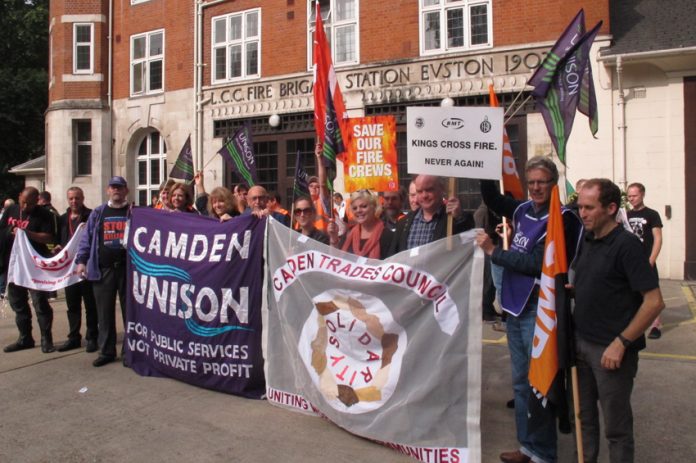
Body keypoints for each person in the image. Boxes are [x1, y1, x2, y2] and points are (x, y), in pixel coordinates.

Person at [476, 156, 582, 463]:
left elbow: (538, 263)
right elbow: (494, 199)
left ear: (554, 185)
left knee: (541, 384)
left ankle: (543, 453)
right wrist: (481, 163)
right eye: (532, 182)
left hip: (541, 307)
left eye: (542, 182)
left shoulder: (564, 218)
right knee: (521, 383)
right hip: (515, 306)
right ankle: (527, 447)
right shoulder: (523, 209)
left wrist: (495, 252)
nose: (536, 187)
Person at [573, 178, 664, 462]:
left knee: (617, 429)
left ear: (611, 208)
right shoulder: (588, 239)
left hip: (611, 353)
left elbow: (654, 302)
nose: (582, 214)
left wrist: (621, 342)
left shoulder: (627, 246)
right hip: (581, 347)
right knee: (583, 421)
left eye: (589, 207)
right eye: (580, 207)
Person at [75, 176, 131, 367]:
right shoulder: (99, 213)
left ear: (126, 190)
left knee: (130, 313)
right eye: (113, 187)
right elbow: (86, 239)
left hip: (127, 271)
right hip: (103, 270)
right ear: (108, 190)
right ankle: (106, 351)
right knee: (104, 313)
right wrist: (81, 261)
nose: (116, 190)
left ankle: (129, 352)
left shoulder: (134, 212)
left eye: (120, 187)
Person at [0, 187, 57, 353]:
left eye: (30, 204)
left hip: (34, 266)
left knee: (40, 302)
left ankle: (47, 339)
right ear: (19, 197)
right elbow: (2, 228)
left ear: (37, 201)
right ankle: (25, 338)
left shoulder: (45, 215)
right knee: (18, 303)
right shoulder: (11, 209)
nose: (25, 207)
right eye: (23, 202)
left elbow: (49, 237)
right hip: (13, 263)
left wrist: (26, 233)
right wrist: (11, 231)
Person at [54, 187, 98, 352]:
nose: (74, 201)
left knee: (90, 304)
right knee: (72, 305)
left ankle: (92, 337)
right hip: (69, 270)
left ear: (83, 198)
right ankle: (73, 337)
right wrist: (57, 247)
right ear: (67, 199)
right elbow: (58, 239)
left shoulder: (92, 215)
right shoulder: (62, 218)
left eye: (77, 198)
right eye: (71, 198)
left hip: (86, 267)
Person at [388, 175, 474, 255]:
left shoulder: (454, 219)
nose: (424, 195)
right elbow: (392, 259)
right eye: (420, 191)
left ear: (442, 189)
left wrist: (459, 217)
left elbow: (468, 245)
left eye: (429, 190)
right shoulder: (403, 223)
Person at [626, 182, 663, 339]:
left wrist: (651, 259)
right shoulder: (626, 215)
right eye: (629, 196)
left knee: (651, 292)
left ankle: (656, 325)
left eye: (634, 196)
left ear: (642, 195)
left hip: (646, 260)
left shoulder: (652, 214)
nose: (631, 199)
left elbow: (658, 238)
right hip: (630, 261)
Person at [327, 189, 391, 259]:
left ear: (374, 207)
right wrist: (333, 237)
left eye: (364, 206)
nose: (358, 210)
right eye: (354, 208)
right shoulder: (348, 234)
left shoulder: (387, 235)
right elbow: (336, 260)